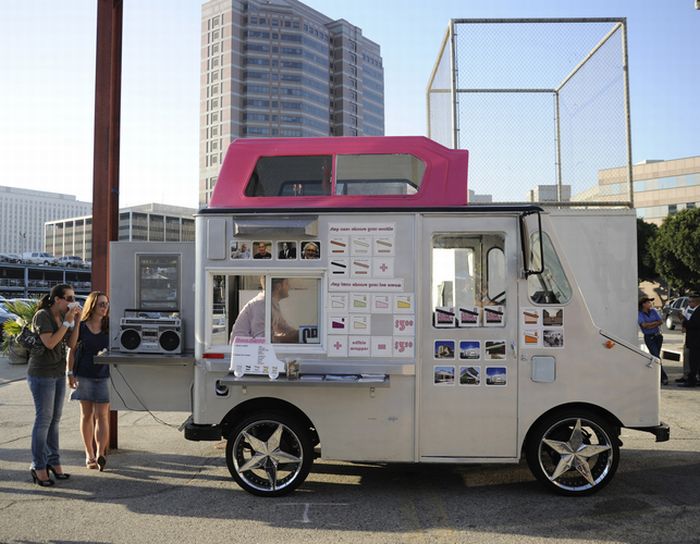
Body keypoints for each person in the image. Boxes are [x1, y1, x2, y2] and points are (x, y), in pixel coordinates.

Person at [27, 283, 82, 486]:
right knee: (43, 420)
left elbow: (71, 345)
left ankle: (54, 463)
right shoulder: (43, 315)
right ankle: (38, 466)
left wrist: (76, 322)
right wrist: (67, 322)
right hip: (42, 374)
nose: (72, 302)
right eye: (68, 298)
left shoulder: (64, 317)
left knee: (54, 421)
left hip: (58, 373)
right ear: (57, 299)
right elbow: (50, 343)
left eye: (73, 298)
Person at [67, 291, 110, 471]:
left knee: (102, 416)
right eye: (101, 304)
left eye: (106, 304)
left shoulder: (109, 326)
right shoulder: (82, 326)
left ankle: (101, 454)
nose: (105, 307)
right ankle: (89, 454)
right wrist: (69, 372)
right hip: (84, 374)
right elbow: (72, 348)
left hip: (104, 376)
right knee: (87, 415)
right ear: (92, 306)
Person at [229, 277, 298, 343]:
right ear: (278, 286)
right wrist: (289, 338)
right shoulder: (261, 304)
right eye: (286, 283)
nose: (289, 286)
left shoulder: (271, 303)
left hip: (253, 350)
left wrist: (300, 334)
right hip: (243, 351)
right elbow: (261, 339)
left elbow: (282, 326)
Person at [638, 296, 668, 385]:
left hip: (658, 336)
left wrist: (650, 324)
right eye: (648, 302)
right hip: (649, 337)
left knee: (656, 356)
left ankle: (655, 375)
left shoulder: (654, 311)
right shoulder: (640, 314)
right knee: (656, 356)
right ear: (643, 304)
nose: (650, 304)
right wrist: (654, 323)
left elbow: (660, 321)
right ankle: (663, 377)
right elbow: (644, 325)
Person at [678, 293, 700, 388]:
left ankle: (691, 381)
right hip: (693, 340)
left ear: (696, 302)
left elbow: (694, 324)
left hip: (696, 341)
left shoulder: (698, 311)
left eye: (690, 301)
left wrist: (684, 321)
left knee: (693, 362)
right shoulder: (693, 310)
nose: (689, 303)